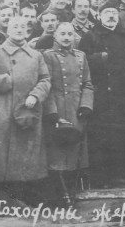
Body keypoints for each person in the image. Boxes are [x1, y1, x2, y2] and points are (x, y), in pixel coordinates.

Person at [0, 16, 51, 206]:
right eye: (14, 26)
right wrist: (10, 80)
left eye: (22, 27)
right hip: (1, 112)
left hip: (28, 111)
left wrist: (36, 95)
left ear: (28, 31)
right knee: (1, 159)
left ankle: (25, 198)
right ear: (7, 30)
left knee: (27, 158)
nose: (19, 30)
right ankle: (2, 200)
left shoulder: (36, 55)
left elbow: (45, 79)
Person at [78, 3, 125, 185]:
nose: (111, 16)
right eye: (107, 12)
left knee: (123, 134)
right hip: (102, 95)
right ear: (99, 16)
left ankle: (122, 172)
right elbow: (82, 62)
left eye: (114, 12)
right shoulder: (90, 36)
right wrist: (101, 58)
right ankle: (103, 176)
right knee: (103, 136)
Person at [42, 22, 93, 206]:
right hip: (58, 107)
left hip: (76, 109)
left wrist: (85, 105)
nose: (66, 37)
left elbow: (87, 83)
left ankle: (72, 193)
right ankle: (60, 195)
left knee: (74, 151)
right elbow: (46, 85)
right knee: (57, 153)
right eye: (62, 34)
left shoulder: (81, 55)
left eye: (70, 34)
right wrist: (52, 113)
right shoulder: (48, 56)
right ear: (55, 36)